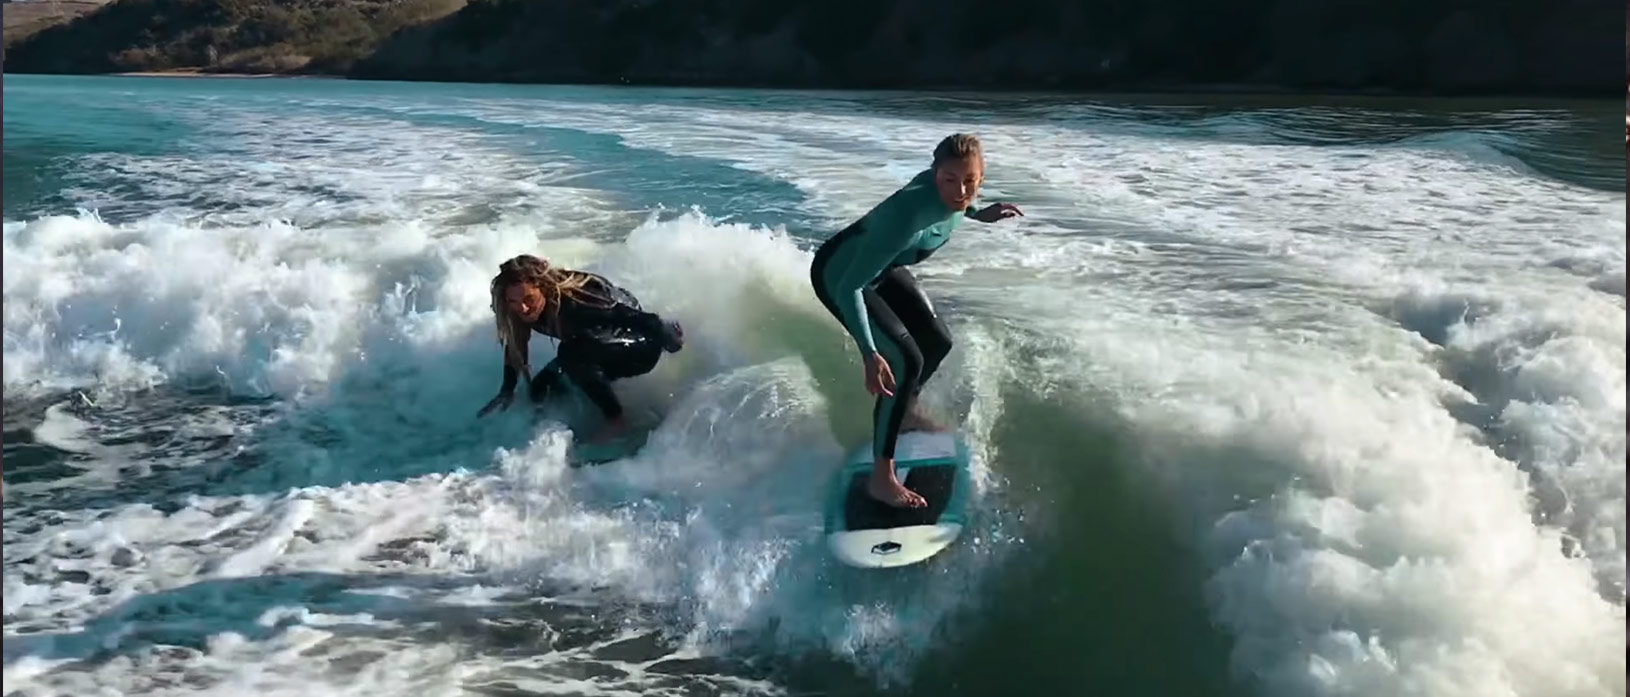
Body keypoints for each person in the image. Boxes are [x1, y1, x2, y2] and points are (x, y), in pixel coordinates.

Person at [809, 133, 1024, 509]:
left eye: (970, 181)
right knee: (906, 360)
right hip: (840, 276)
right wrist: (869, 353)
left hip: (879, 268)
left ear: (981, 177)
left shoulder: (959, 195)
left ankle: (902, 413)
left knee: (937, 341)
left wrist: (980, 212)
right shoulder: (905, 217)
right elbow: (850, 289)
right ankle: (882, 478)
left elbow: (961, 202)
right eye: (949, 180)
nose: (960, 190)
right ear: (934, 173)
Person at [476, 254, 684, 444]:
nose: (522, 308)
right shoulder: (517, 311)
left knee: (571, 355)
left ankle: (616, 420)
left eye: (529, 299)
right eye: (514, 301)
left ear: (544, 289)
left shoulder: (579, 302)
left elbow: (642, 320)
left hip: (641, 346)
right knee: (541, 389)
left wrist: (671, 340)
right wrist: (507, 390)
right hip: (597, 346)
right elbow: (515, 348)